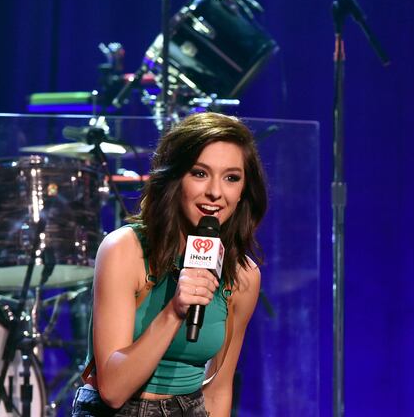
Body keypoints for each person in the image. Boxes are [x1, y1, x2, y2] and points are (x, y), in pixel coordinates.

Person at [72, 112, 268, 416]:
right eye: (200, 173)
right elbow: (112, 390)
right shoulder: (124, 249)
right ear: (175, 178)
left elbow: (217, 390)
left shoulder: (243, 277)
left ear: (243, 191)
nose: (215, 192)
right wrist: (176, 310)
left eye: (231, 177)